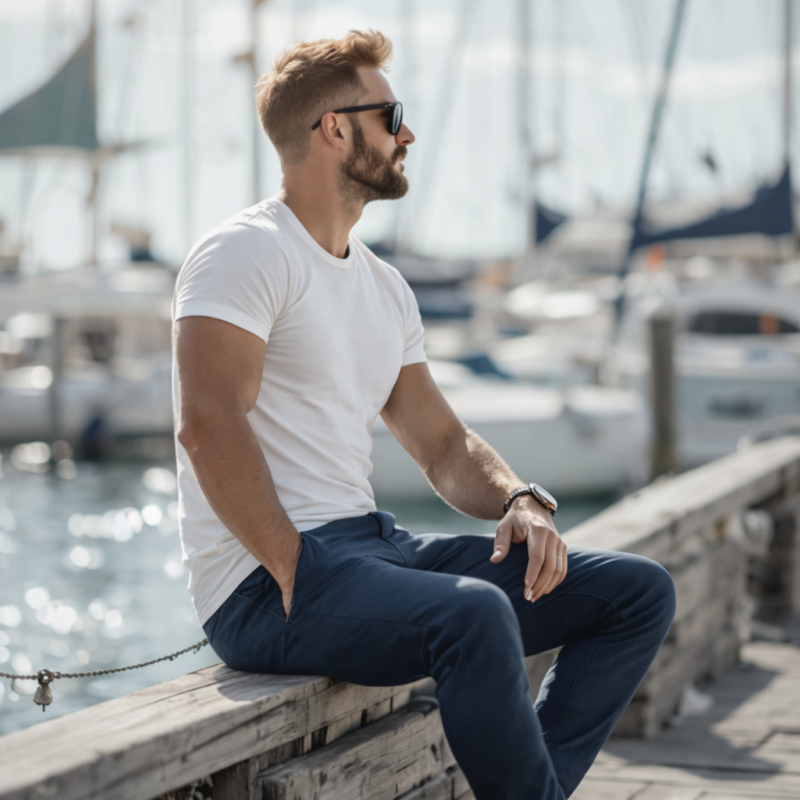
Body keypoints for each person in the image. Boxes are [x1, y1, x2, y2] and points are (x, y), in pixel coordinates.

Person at [172, 29, 676, 800]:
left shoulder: (383, 286)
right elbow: (208, 425)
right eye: (390, 114)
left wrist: (518, 499)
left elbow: (442, 445)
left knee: (636, 592)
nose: (407, 133)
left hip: (374, 553)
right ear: (334, 127)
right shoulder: (245, 252)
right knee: (473, 615)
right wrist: (291, 566)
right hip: (262, 584)